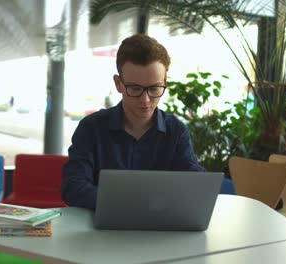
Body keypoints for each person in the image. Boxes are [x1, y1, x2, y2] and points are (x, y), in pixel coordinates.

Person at [61, 34, 205, 210]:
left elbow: (195, 183)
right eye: (135, 88)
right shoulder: (91, 128)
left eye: (154, 88)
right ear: (118, 83)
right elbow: (73, 187)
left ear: (164, 82)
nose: (145, 100)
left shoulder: (176, 131)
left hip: (160, 230)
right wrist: (132, 205)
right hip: (104, 232)